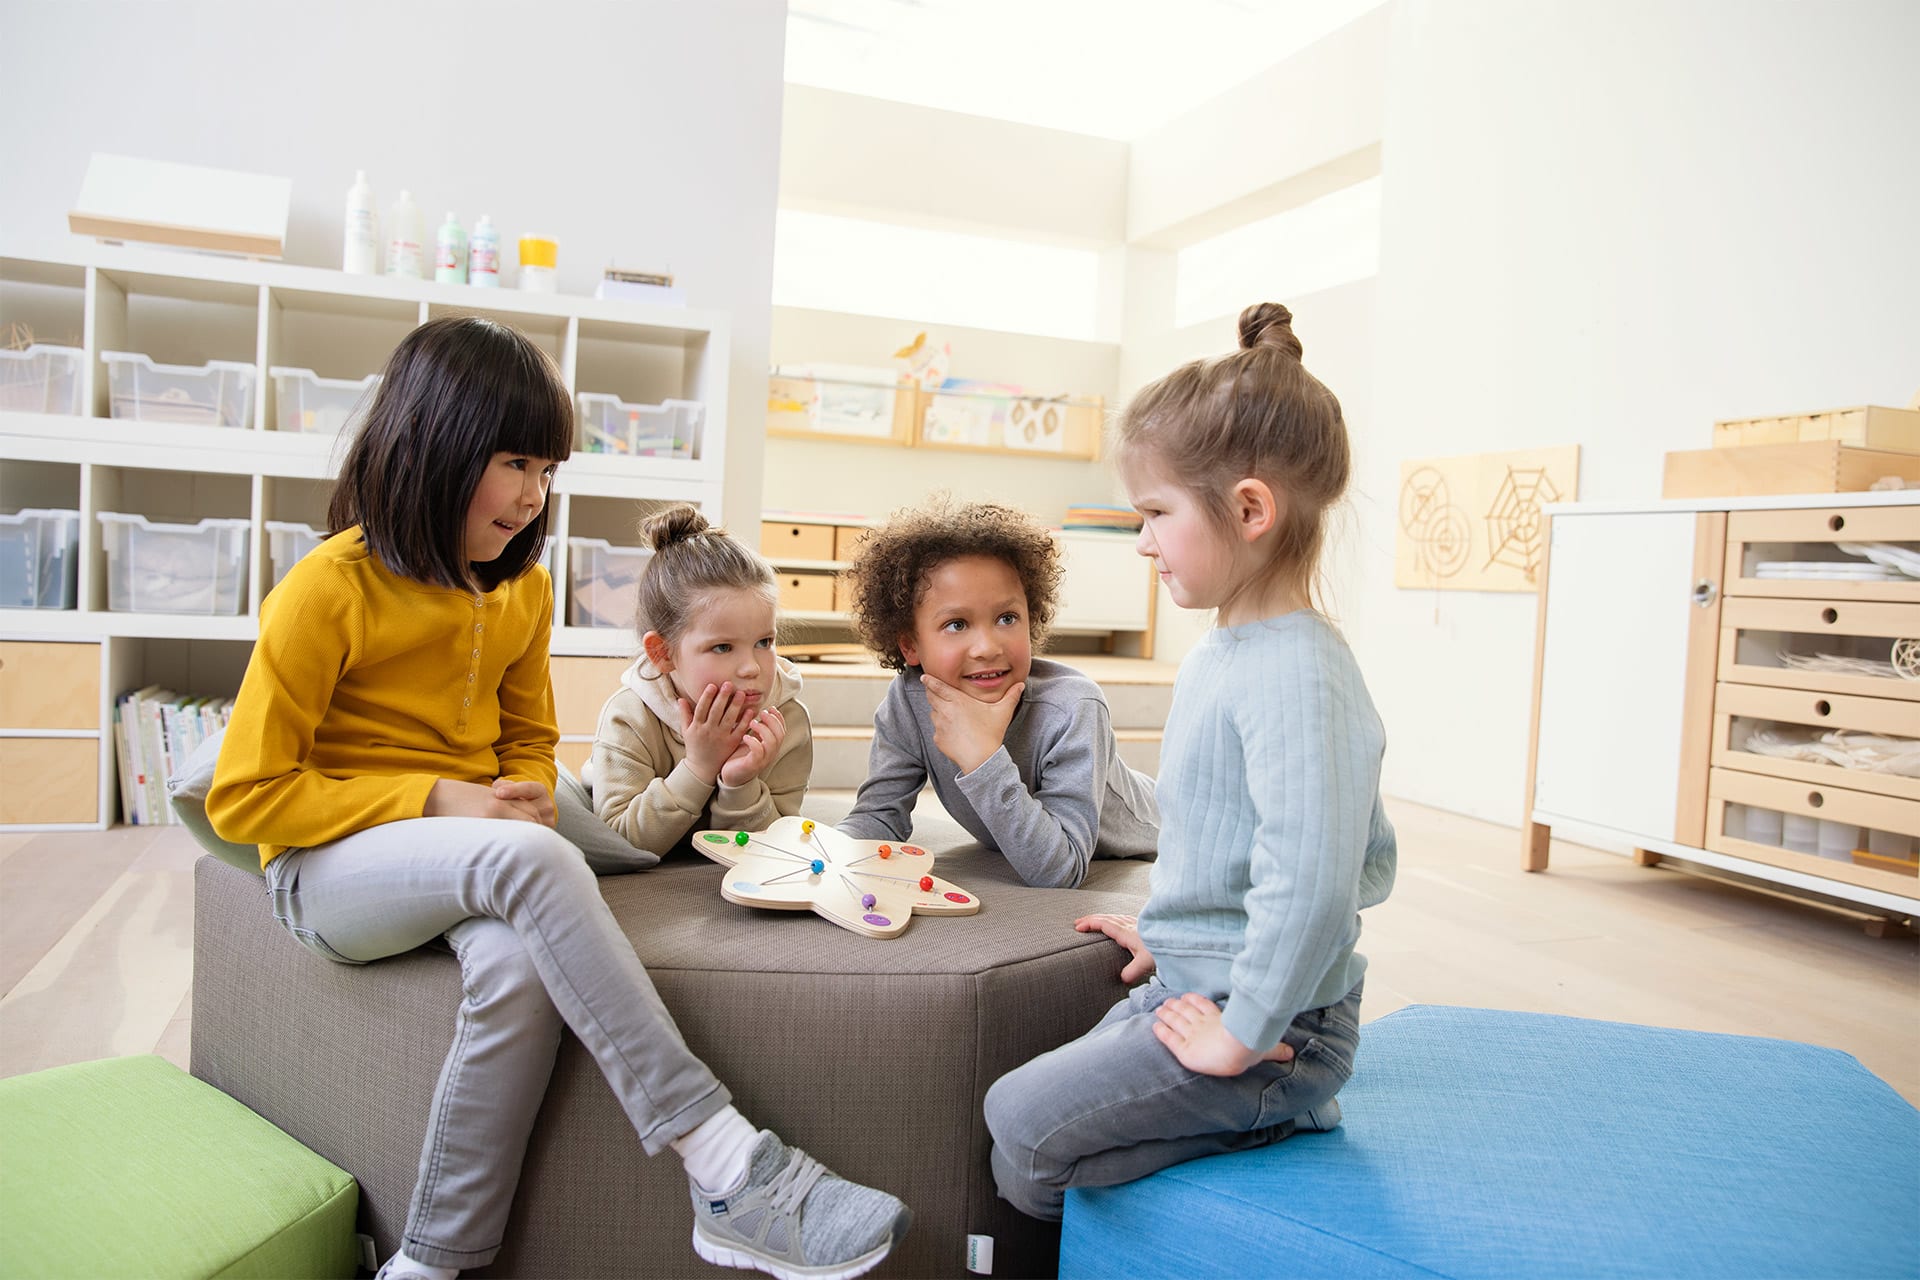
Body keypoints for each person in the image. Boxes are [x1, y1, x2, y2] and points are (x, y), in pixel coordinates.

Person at [205, 317, 909, 1280]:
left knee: (526, 959)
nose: (535, 495)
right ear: (433, 447)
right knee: (540, 858)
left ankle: (430, 1263)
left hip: (463, 863)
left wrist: (528, 792)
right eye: (515, 464)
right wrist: (446, 801)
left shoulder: (521, 592)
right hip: (328, 874)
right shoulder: (326, 590)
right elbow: (248, 800)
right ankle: (726, 1163)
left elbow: (528, 738)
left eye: (548, 470)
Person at [982, 302, 1397, 1220]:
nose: (1141, 540)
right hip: (1201, 980)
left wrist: (1241, 1036)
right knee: (1020, 1141)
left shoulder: (1299, 676)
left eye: (1156, 513)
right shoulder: (1224, 649)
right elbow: (1224, 831)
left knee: (1019, 1123)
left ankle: (1273, 1109)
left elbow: (1318, 881)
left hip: (1276, 1028)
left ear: (1249, 509)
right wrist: (1177, 932)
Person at [836, 498, 1158, 888]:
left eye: (1007, 618)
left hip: (1169, 827)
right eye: (956, 624)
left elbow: (1061, 870)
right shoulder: (910, 699)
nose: (987, 646)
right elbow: (880, 816)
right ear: (910, 647)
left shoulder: (1073, 708)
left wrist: (983, 757)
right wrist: (824, 853)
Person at [588, 505, 811, 855]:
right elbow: (620, 843)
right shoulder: (629, 716)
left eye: (764, 642)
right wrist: (699, 767)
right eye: (723, 647)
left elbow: (776, 849)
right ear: (662, 653)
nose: (751, 667)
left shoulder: (786, 719)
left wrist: (740, 783)